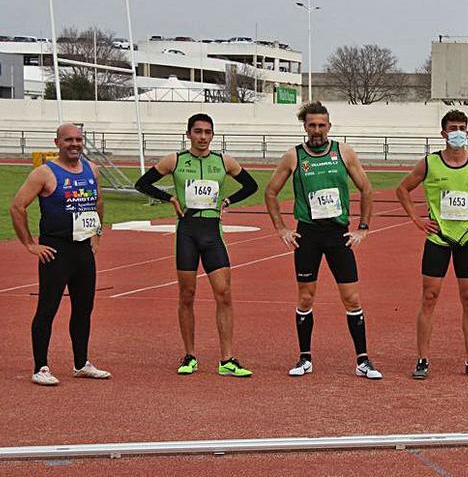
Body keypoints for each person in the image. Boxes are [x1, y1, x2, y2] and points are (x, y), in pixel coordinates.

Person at [264, 102, 382, 380]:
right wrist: (281, 228)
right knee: (306, 296)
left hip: (338, 234)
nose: (317, 130)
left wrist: (363, 228)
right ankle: (304, 358)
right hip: (308, 234)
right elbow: (271, 192)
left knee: (351, 298)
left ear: (329, 126)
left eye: (322, 125)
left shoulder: (343, 152)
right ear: (304, 127)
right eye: (312, 125)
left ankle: (363, 361)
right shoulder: (294, 156)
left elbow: (366, 188)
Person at [135, 113, 258, 377]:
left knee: (223, 293)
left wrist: (229, 200)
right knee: (187, 294)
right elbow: (142, 183)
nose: (203, 137)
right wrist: (169, 198)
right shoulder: (176, 160)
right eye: (198, 131)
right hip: (187, 233)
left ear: (213, 135)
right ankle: (189, 355)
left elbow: (251, 185)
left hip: (213, 232)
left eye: (207, 132)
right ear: (188, 133)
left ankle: (227, 359)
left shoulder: (223, 161)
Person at [396, 110, 468, 380]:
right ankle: (422, 359)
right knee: (430, 297)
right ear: (443, 133)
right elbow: (403, 189)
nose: (458, 132)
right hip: (438, 239)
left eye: (463, 127)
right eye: (453, 127)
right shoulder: (429, 163)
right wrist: (417, 220)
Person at [10, 123, 112, 385]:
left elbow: (98, 202)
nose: (74, 144)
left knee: (83, 308)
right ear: (57, 142)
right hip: (55, 250)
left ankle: (81, 363)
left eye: (78, 139)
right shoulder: (44, 173)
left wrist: (97, 234)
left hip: (82, 249)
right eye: (68, 140)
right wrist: (31, 245)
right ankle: (40, 367)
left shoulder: (92, 169)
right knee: (48, 308)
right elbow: (17, 207)